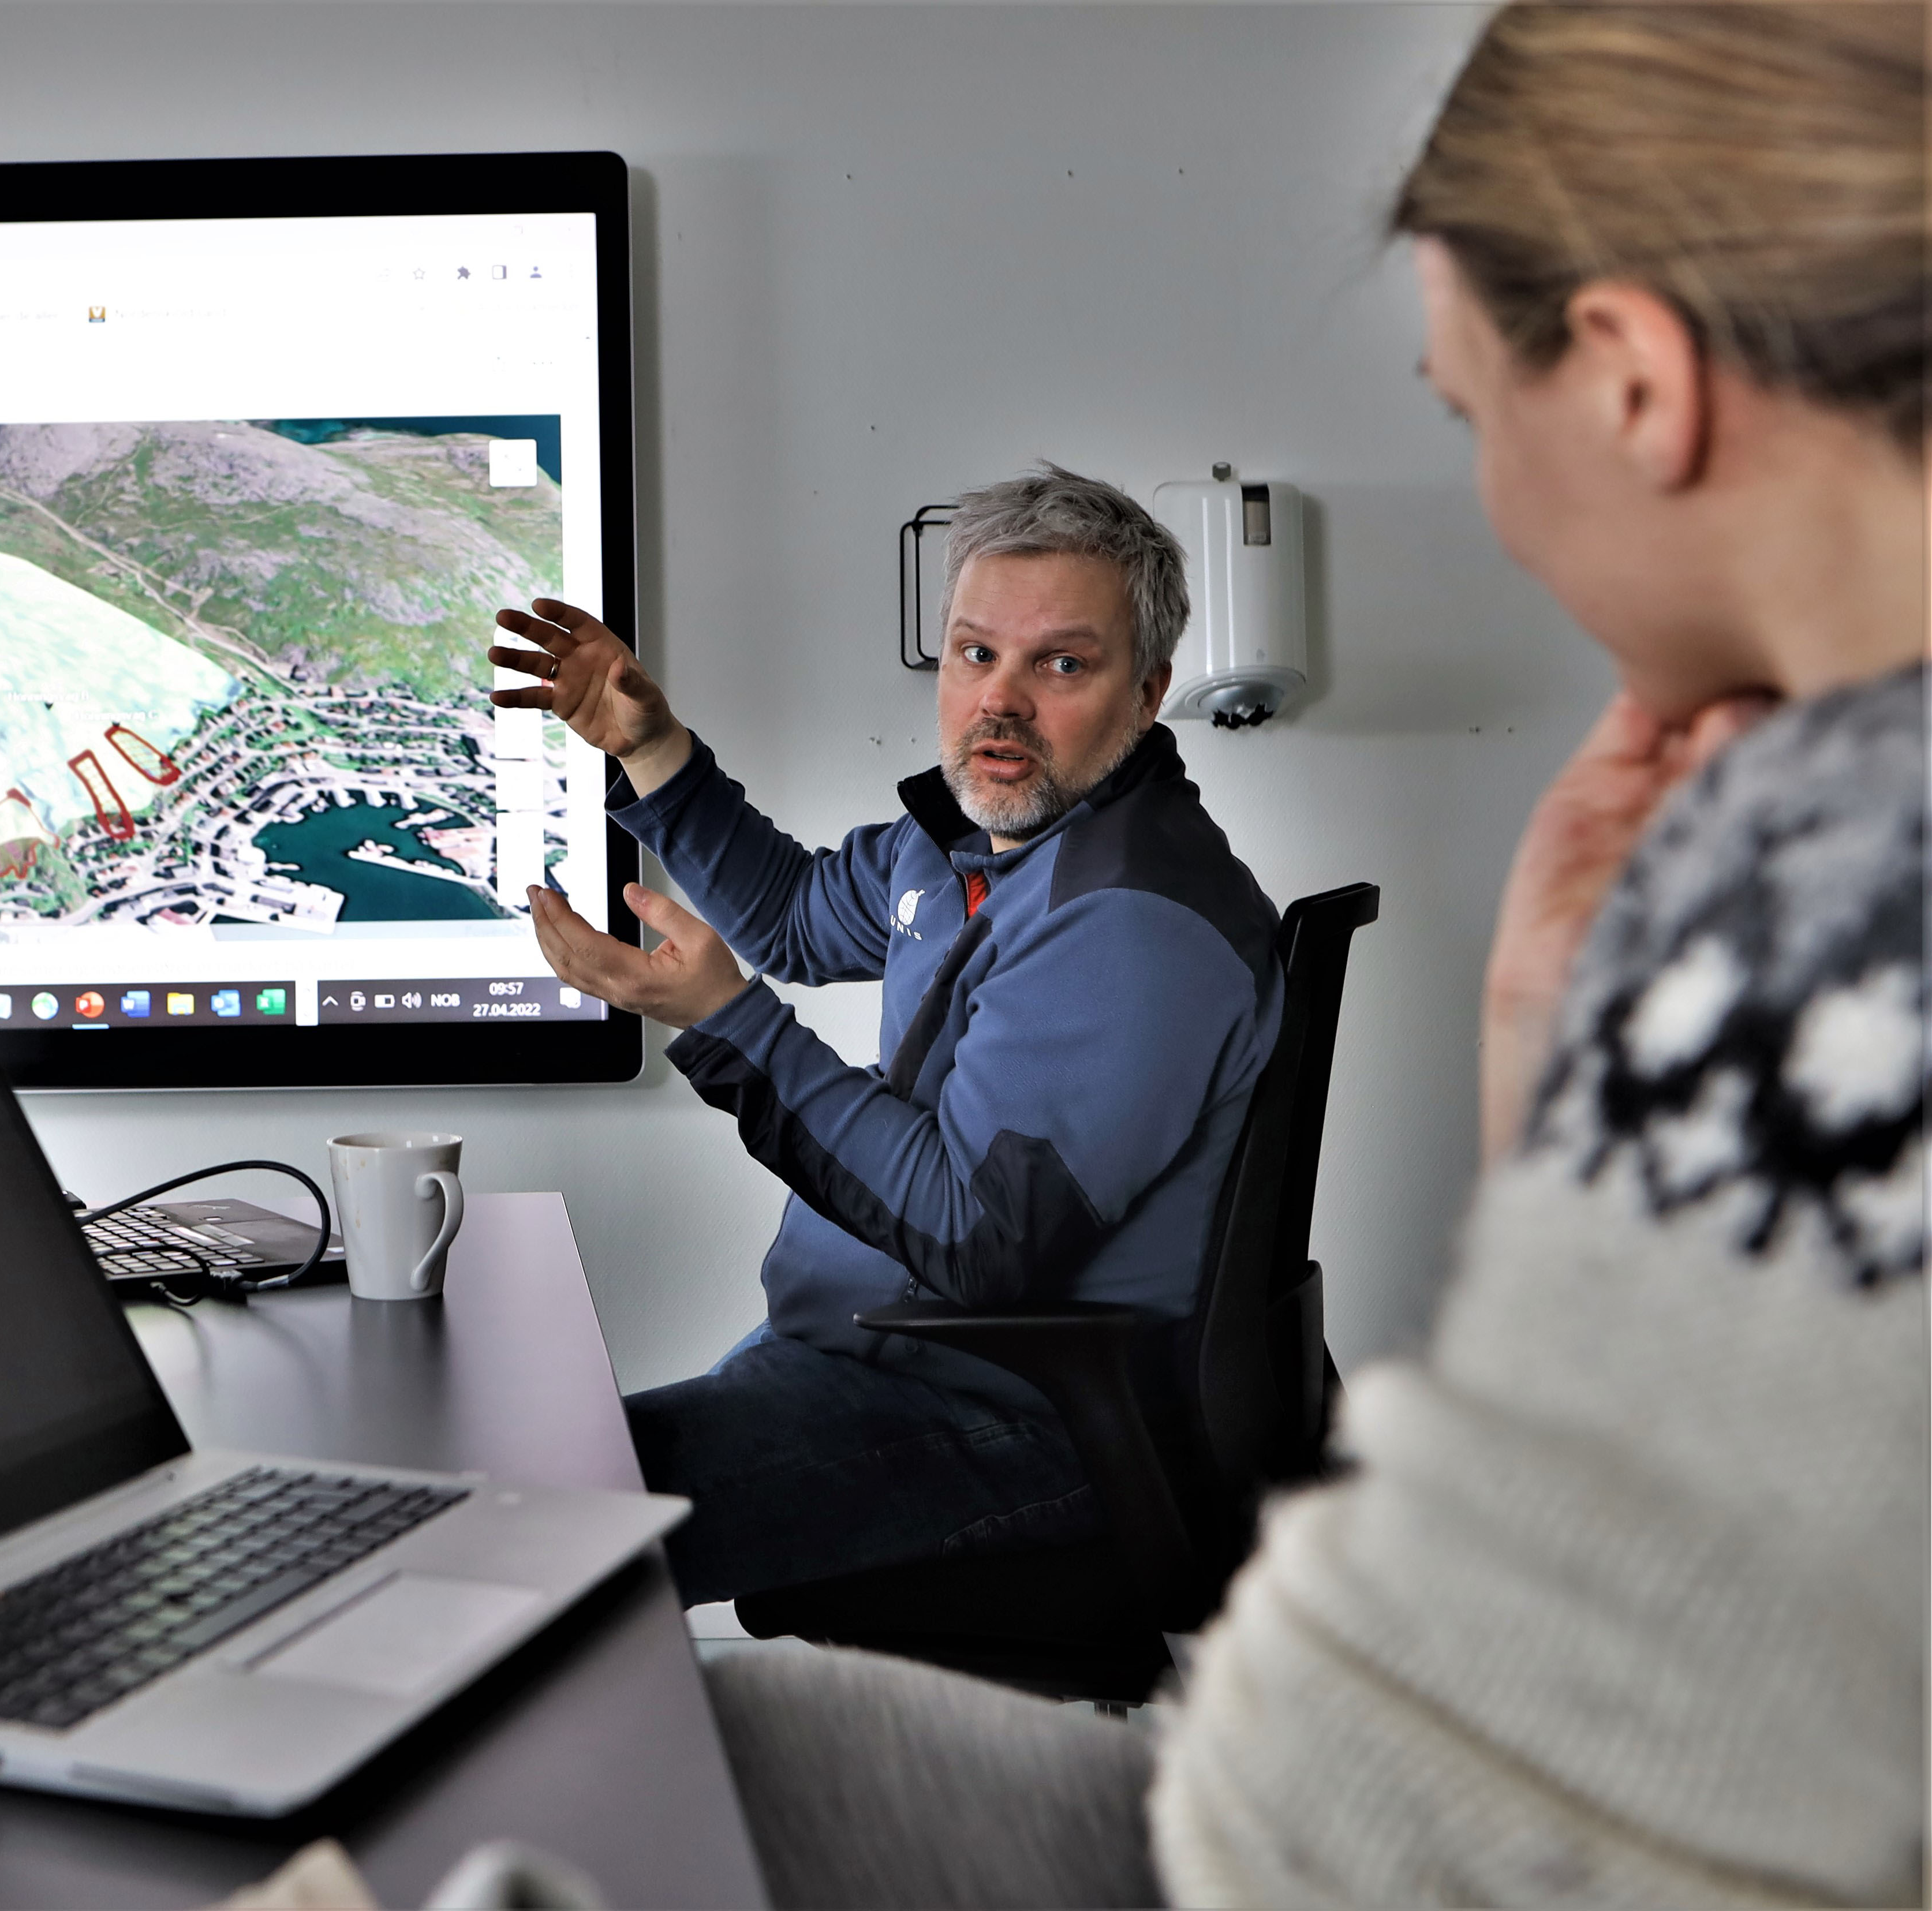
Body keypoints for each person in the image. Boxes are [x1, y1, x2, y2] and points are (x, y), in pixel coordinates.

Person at [684, 4, 1930, 1905]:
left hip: (1265, 1766)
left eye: (1457, 413)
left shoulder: (1828, 926)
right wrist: (1546, 1083)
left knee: (557, 1700)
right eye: (973, 652)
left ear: (1623, 380)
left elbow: (1478, 1775)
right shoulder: (1796, 847)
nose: (1498, 513)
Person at [488, 468, 1281, 1606]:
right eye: (974, 654)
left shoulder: (1132, 921)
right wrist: (648, 748)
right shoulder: (973, 841)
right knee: (522, 1507)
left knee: (530, 1536)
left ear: (1146, 691)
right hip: (869, 1364)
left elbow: (973, 1237)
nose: (998, 702)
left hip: (1022, 1426)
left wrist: (724, 1023)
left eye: (1060, 663)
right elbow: (795, 921)